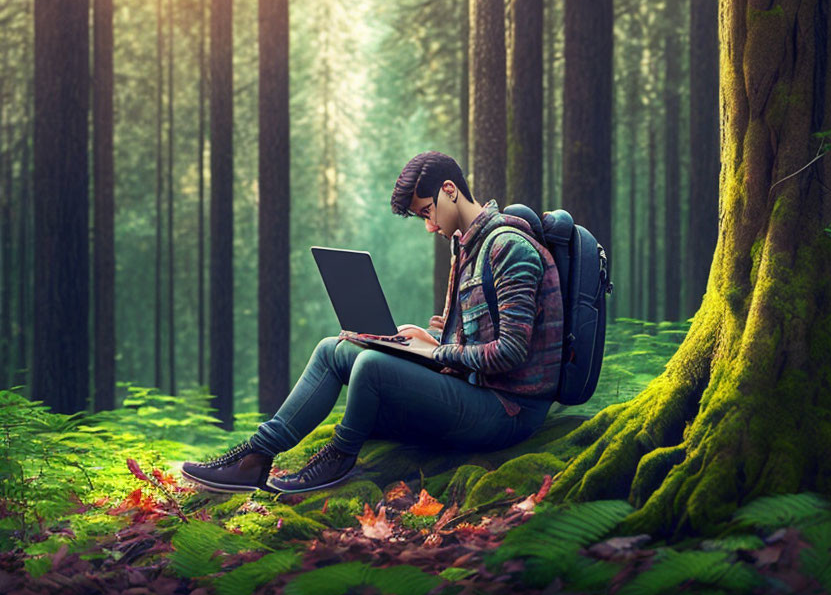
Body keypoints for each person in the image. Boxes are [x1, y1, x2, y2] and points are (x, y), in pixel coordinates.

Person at [180, 151, 564, 494]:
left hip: (507, 411)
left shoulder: (509, 248)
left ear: (450, 189)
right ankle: (255, 457)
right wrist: (423, 337)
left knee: (372, 367)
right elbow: (466, 332)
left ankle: (341, 457)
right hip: (472, 387)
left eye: (427, 212)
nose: (429, 226)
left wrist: (435, 350)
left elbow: (511, 352)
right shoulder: (465, 248)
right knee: (335, 350)